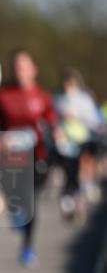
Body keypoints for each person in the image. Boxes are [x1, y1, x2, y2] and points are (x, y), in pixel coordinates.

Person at [0, 49, 57, 263]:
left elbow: (51, 122)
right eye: (16, 66)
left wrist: (54, 133)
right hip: (9, 157)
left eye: (24, 66)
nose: (20, 71)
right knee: (14, 197)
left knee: (30, 199)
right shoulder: (2, 95)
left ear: (34, 69)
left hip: (36, 156)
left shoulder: (42, 97)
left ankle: (27, 246)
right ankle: (15, 210)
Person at [53, 66, 105, 214]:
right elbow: (53, 118)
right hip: (64, 140)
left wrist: (77, 117)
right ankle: (69, 195)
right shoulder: (58, 99)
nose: (68, 86)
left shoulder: (84, 98)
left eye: (70, 83)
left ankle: (84, 187)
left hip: (82, 138)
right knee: (68, 169)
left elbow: (94, 119)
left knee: (84, 162)